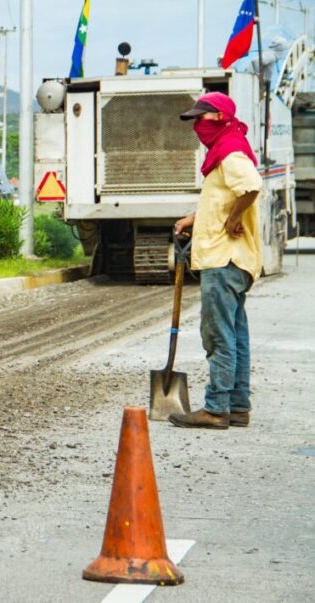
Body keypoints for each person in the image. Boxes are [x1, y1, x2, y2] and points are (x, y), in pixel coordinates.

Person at [168, 91, 262, 430]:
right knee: (235, 335)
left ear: (220, 118)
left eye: (200, 117)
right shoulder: (226, 150)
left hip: (224, 259)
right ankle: (237, 406)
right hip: (234, 260)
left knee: (218, 335)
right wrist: (195, 218)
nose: (196, 124)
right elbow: (223, 197)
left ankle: (216, 408)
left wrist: (235, 217)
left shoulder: (230, 151)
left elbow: (250, 186)